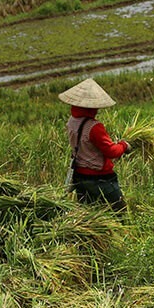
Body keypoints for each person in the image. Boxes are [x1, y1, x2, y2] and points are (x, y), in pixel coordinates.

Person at [59, 77, 131, 211]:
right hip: (100, 178)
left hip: (80, 176)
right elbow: (111, 151)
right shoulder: (94, 127)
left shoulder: (72, 122)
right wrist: (124, 145)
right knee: (119, 209)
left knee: (87, 211)